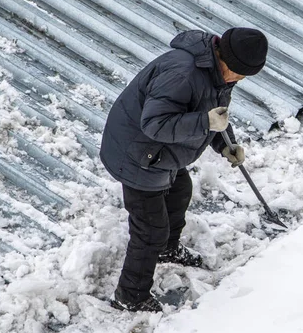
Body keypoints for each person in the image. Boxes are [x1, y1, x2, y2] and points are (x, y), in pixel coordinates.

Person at [99, 27, 268, 312]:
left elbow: (211, 109)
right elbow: (155, 124)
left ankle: (167, 249)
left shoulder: (216, 72)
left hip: (161, 153)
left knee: (179, 191)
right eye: (240, 73)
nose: (239, 80)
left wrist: (226, 144)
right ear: (226, 60)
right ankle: (130, 296)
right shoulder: (183, 75)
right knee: (150, 229)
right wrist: (206, 122)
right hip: (137, 154)